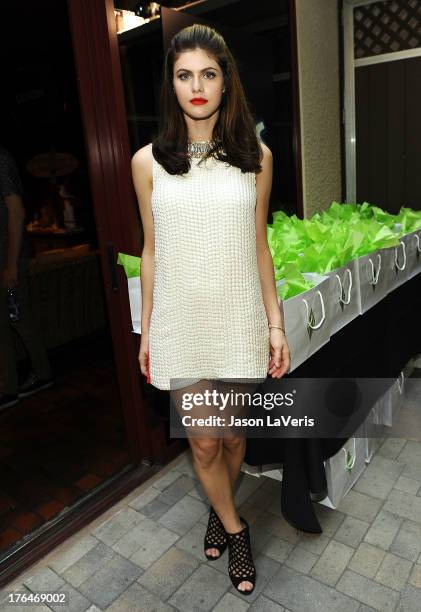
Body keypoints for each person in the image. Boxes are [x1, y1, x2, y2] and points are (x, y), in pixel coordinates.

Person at [131, 24, 290, 595]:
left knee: (230, 439)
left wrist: (274, 325)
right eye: (183, 75)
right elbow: (151, 252)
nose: (196, 86)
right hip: (180, 320)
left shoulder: (256, 158)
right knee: (202, 439)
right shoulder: (146, 162)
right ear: (171, 86)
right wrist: (147, 332)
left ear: (226, 82)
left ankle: (218, 505)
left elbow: (259, 248)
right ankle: (236, 526)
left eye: (208, 73)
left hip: (238, 318)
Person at [0, 145, 53, 410]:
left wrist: (10, 264)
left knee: (19, 318)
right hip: (7, 258)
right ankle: (11, 387)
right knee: (11, 321)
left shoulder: (1, 158)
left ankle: (34, 378)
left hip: (8, 258)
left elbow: (16, 211)